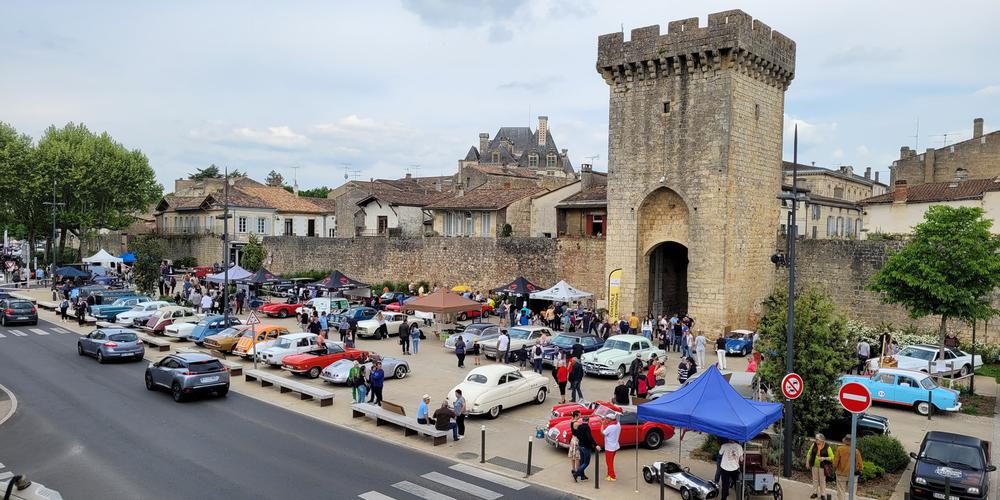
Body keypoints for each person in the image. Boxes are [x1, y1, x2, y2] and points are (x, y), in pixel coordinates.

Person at [833, 434, 863, 500]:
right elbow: (860, 464)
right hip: (853, 474)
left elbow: (835, 463)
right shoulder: (856, 451)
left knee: (841, 490)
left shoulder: (840, 449)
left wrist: (834, 469)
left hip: (841, 473)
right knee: (852, 492)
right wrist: (860, 469)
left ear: (845, 441)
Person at [806, 433, 834, 499]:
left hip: (822, 466)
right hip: (814, 465)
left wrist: (824, 458)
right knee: (815, 480)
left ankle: (823, 494)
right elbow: (809, 453)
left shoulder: (827, 446)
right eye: (815, 439)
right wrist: (807, 462)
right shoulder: (814, 445)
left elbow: (832, 457)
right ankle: (815, 493)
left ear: (822, 439)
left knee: (822, 481)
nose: (816, 440)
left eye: (817, 439)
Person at [572, 416, 598, 482]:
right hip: (586, 447)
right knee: (586, 463)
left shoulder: (580, 426)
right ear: (588, 421)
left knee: (582, 462)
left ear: (582, 420)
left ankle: (582, 476)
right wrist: (596, 445)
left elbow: (577, 434)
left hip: (580, 446)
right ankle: (576, 473)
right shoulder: (587, 427)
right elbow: (590, 437)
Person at [602, 414, 621, 481]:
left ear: (610, 419)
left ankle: (612, 476)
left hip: (609, 447)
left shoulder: (610, 427)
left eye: (607, 418)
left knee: (609, 462)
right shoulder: (618, 424)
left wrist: (602, 424)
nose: (606, 419)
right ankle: (609, 474)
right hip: (615, 446)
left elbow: (602, 433)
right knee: (610, 462)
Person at [567, 411, 581, 476]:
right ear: (576, 416)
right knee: (577, 456)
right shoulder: (577, 423)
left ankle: (573, 469)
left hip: (573, 439)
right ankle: (577, 470)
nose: (580, 416)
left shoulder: (572, 421)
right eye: (579, 415)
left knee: (573, 455)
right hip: (576, 440)